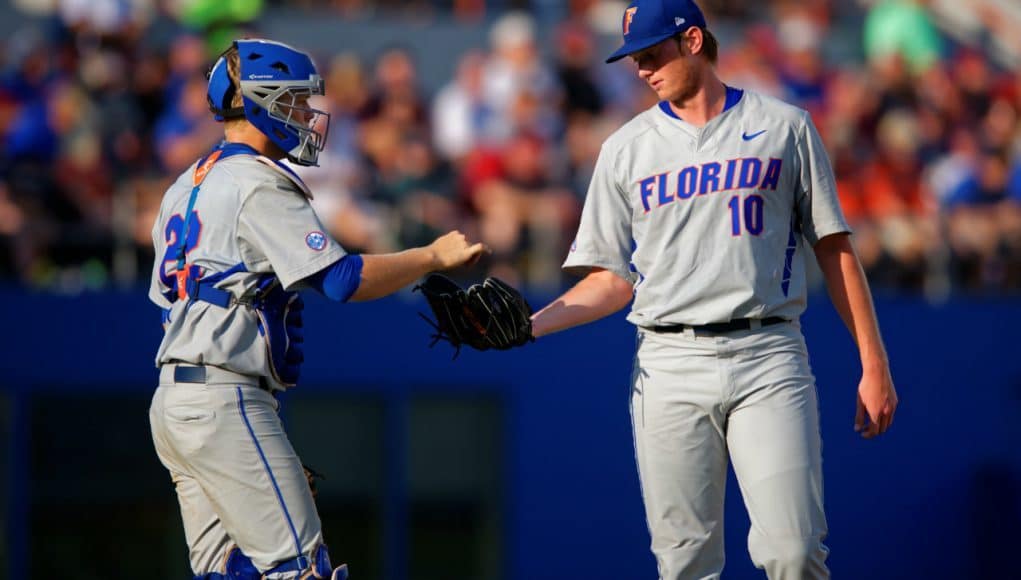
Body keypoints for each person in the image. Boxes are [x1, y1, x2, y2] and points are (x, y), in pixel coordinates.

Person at [527, 1, 899, 578]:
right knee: (685, 566)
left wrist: (873, 363)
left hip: (768, 354)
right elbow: (610, 279)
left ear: (693, 41)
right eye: (634, 60)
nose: (643, 69)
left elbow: (834, 246)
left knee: (794, 553)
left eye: (653, 54)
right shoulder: (625, 149)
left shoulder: (785, 126)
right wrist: (529, 326)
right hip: (669, 362)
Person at [147, 39, 485, 579]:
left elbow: (168, 303)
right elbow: (342, 280)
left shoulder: (182, 186)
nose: (305, 115)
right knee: (300, 570)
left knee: (231, 571)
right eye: (294, 101)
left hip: (175, 401)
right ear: (261, 101)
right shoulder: (258, 181)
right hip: (227, 397)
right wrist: (431, 255)